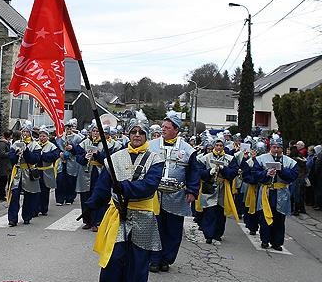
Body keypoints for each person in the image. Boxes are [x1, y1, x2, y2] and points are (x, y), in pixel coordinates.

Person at [87, 120, 164, 282]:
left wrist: (124, 187)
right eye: (134, 131)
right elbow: (103, 186)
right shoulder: (115, 158)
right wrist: (91, 205)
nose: (137, 135)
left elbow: (149, 186)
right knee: (114, 258)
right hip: (118, 216)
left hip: (143, 217)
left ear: (146, 136)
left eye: (141, 132)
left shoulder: (155, 159)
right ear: (128, 134)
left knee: (138, 261)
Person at [148, 111, 200, 273]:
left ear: (176, 130)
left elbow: (193, 172)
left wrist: (192, 190)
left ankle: (166, 259)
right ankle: (154, 260)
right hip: (154, 195)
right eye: (163, 126)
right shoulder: (151, 145)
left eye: (167, 127)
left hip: (176, 196)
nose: (163, 129)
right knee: (154, 228)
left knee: (173, 230)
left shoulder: (187, 149)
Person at [250, 138, 299, 251]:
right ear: (270, 147)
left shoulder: (290, 161)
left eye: (279, 147)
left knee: (279, 218)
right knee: (265, 217)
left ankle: (277, 242)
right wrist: (266, 173)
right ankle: (265, 240)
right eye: (274, 147)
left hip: (281, 193)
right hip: (266, 192)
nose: (276, 150)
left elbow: (293, 175)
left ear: (282, 148)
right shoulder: (261, 159)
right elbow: (255, 174)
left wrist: (281, 170)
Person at [197, 139, 240, 245]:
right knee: (209, 211)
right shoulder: (205, 158)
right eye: (217, 145)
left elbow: (233, 172)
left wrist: (223, 169)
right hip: (209, 186)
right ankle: (209, 235)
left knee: (220, 212)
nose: (219, 147)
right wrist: (209, 172)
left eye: (221, 145)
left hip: (223, 187)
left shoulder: (230, 158)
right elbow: (199, 171)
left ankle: (218, 233)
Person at [7, 127, 42, 225]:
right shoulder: (16, 143)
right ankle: (12, 219)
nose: (25, 134)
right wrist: (16, 154)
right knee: (15, 195)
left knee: (29, 195)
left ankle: (27, 216)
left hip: (29, 171)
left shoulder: (35, 145)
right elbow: (11, 158)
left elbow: (35, 159)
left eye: (27, 132)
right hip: (17, 171)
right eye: (23, 132)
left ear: (30, 133)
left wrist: (26, 151)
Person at [77, 127, 106, 231]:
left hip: (99, 172)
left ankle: (96, 222)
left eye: (97, 131)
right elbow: (78, 158)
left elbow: (107, 159)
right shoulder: (84, 143)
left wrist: (97, 154)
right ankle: (87, 221)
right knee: (85, 196)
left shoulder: (106, 143)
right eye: (93, 131)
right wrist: (85, 157)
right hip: (86, 172)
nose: (95, 133)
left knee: (98, 196)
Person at [55, 120, 82, 206]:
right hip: (61, 161)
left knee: (70, 180)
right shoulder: (59, 137)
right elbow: (55, 148)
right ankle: (59, 199)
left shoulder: (78, 138)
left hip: (72, 161)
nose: (68, 129)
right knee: (60, 180)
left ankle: (69, 198)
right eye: (67, 127)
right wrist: (59, 153)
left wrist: (72, 148)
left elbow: (80, 150)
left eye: (70, 127)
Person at [34, 126, 59, 216]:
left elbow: (54, 156)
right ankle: (35, 209)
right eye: (41, 136)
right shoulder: (35, 144)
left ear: (47, 137)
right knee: (36, 190)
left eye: (44, 136)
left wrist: (43, 155)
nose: (42, 138)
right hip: (36, 170)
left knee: (45, 191)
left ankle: (44, 209)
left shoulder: (52, 146)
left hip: (46, 171)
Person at [0, 130, 12, 201]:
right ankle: (1, 194)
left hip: (5, 164)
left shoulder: (6, 143)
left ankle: (2, 194)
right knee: (3, 180)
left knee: (4, 180)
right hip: (3, 164)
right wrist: (10, 153)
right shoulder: (2, 144)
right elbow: (1, 154)